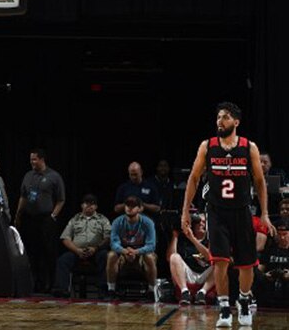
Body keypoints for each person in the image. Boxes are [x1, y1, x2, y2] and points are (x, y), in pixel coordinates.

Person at [180, 102, 274, 328]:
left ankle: (243, 299)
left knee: (246, 264)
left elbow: (260, 182)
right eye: (218, 117)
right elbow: (193, 178)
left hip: (242, 212)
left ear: (236, 122)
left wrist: (265, 214)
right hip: (216, 212)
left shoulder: (248, 147)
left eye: (225, 117)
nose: (219, 121)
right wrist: (185, 210)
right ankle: (223, 307)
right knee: (220, 262)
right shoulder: (208, 146)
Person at [14, 148, 66, 294]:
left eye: (34, 159)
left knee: (48, 252)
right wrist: (18, 215)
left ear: (42, 160)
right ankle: (37, 283)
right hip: (30, 219)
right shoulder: (28, 176)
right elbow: (23, 196)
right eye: (31, 160)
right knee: (32, 252)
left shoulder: (54, 176)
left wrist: (53, 216)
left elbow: (61, 199)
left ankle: (52, 284)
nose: (32, 162)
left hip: (46, 219)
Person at [53, 194, 111, 297]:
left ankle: (103, 289)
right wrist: (77, 250)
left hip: (96, 251)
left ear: (96, 207)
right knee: (63, 260)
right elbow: (65, 238)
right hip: (77, 252)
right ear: (81, 205)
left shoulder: (102, 219)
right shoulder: (75, 219)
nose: (89, 206)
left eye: (92, 204)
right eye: (86, 203)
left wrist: (95, 248)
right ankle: (62, 290)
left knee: (105, 256)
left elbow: (108, 237)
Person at [105, 196, 158, 301]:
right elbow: (114, 243)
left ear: (140, 208)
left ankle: (152, 292)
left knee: (150, 257)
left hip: (141, 254)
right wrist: (124, 251)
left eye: (133, 206)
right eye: (127, 205)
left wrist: (136, 252)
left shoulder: (148, 223)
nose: (129, 208)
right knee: (111, 255)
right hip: (123, 254)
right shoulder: (117, 222)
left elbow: (151, 245)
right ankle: (111, 290)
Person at [169, 213, 214, 305]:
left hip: (205, 275)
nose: (201, 224)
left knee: (220, 263)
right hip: (188, 274)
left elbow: (210, 257)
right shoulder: (184, 237)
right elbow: (169, 257)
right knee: (174, 257)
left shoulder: (211, 238)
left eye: (204, 222)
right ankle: (185, 292)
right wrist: (175, 236)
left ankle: (202, 293)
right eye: (198, 222)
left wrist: (193, 239)